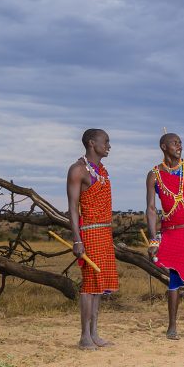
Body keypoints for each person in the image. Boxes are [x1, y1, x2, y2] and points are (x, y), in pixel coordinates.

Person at [145, 133, 184, 340]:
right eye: (175, 143)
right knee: (174, 280)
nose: (179, 146)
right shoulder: (154, 174)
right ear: (164, 146)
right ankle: (172, 327)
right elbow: (151, 209)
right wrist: (154, 238)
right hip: (170, 232)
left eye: (180, 142)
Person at [66, 128, 119, 350]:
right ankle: (84, 336)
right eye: (105, 141)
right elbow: (73, 208)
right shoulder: (78, 170)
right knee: (89, 285)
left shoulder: (102, 170)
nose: (108, 146)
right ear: (91, 143)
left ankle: (95, 332)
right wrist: (77, 240)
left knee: (100, 284)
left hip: (104, 232)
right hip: (89, 232)